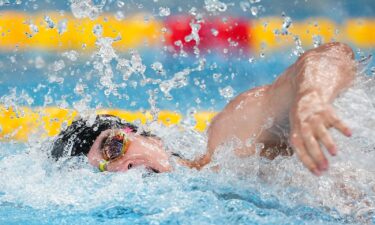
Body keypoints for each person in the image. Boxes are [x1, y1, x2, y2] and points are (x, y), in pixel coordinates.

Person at [51, 42, 356, 176]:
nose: (123, 168)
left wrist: (310, 99)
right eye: (105, 175)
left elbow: (332, 54)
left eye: (114, 147)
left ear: (148, 137)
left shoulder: (229, 143)